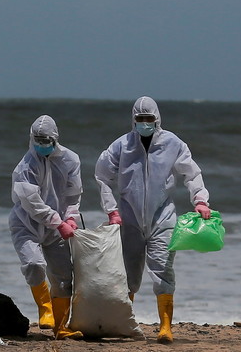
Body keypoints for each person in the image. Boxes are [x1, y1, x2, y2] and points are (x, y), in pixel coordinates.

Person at [95, 96, 211, 344]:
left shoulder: (173, 143)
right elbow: (102, 176)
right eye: (140, 119)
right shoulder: (122, 145)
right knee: (127, 274)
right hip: (129, 218)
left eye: (149, 119)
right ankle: (125, 323)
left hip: (163, 217)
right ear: (133, 120)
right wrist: (111, 210)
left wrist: (200, 200)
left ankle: (165, 327)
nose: (144, 123)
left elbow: (191, 173)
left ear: (157, 119)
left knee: (163, 269)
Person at [9, 115, 83, 340]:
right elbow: (32, 203)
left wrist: (71, 217)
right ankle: (45, 308)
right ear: (31, 139)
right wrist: (58, 222)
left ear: (55, 138)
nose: (41, 144)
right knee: (33, 264)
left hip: (57, 227)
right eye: (37, 139)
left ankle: (61, 327)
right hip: (26, 224)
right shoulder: (25, 166)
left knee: (63, 277)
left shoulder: (70, 160)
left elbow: (74, 193)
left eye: (46, 140)